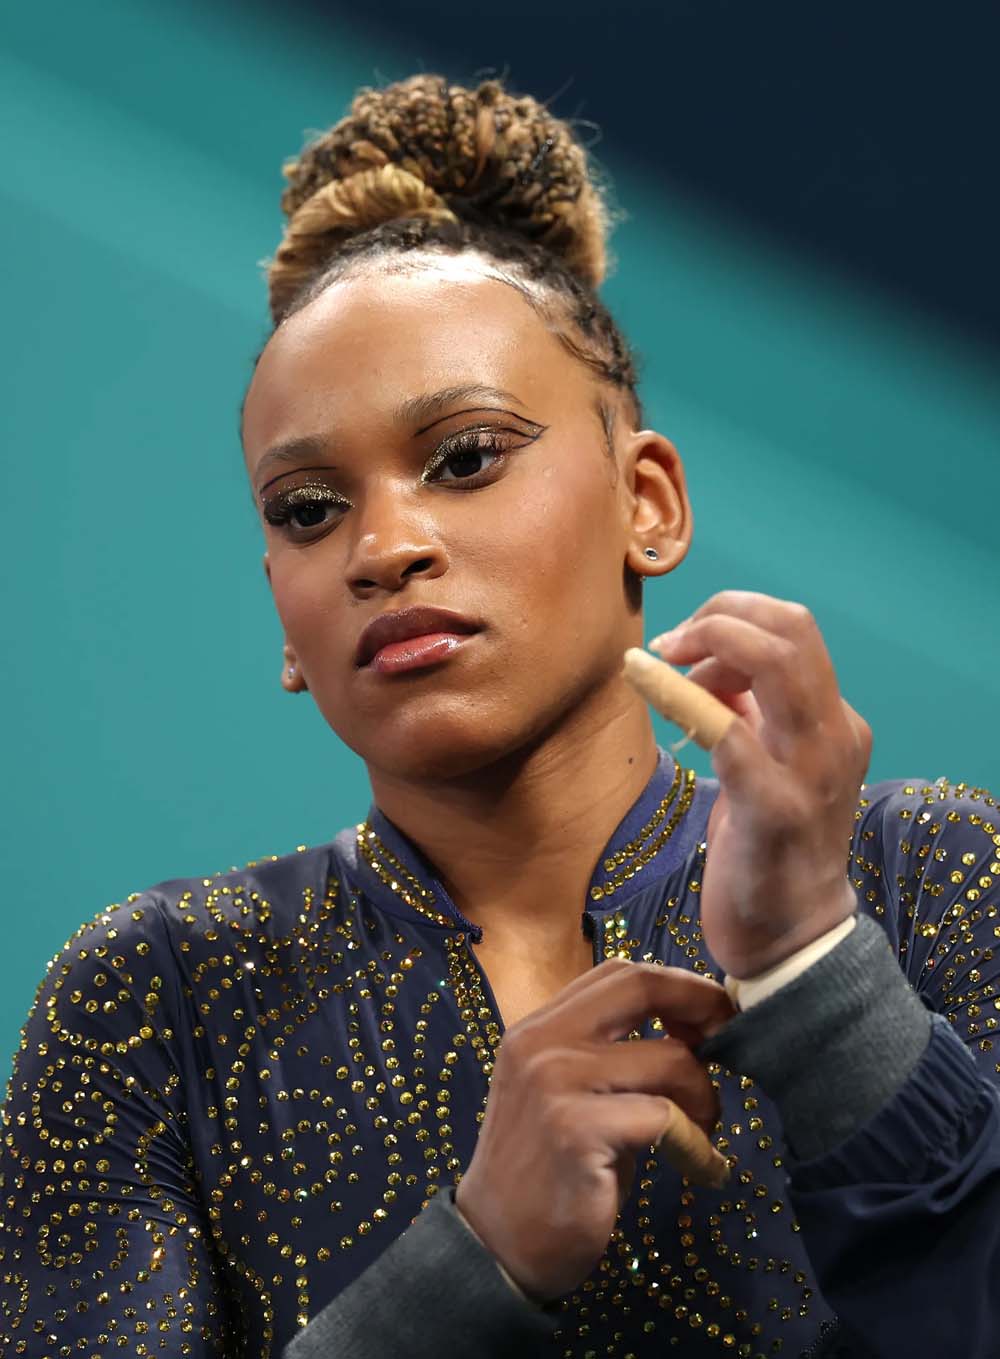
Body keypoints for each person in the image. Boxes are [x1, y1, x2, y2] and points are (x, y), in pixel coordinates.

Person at [1, 73, 997, 1359]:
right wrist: (474, 1264)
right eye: (307, 511)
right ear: (284, 618)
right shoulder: (160, 999)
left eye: (465, 457)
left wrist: (816, 977)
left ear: (647, 503)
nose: (382, 548)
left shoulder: (921, 880)